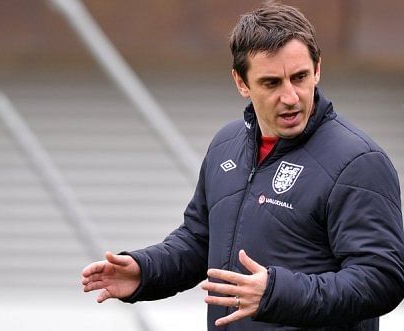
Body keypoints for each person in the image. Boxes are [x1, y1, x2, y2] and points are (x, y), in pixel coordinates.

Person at [81, 2, 404, 330]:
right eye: (271, 83)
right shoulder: (226, 145)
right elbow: (200, 240)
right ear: (241, 82)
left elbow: (381, 279)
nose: (291, 96)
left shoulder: (357, 162)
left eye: (300, 77)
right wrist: (146, 270)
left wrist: (276, 294)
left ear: (317, 69)